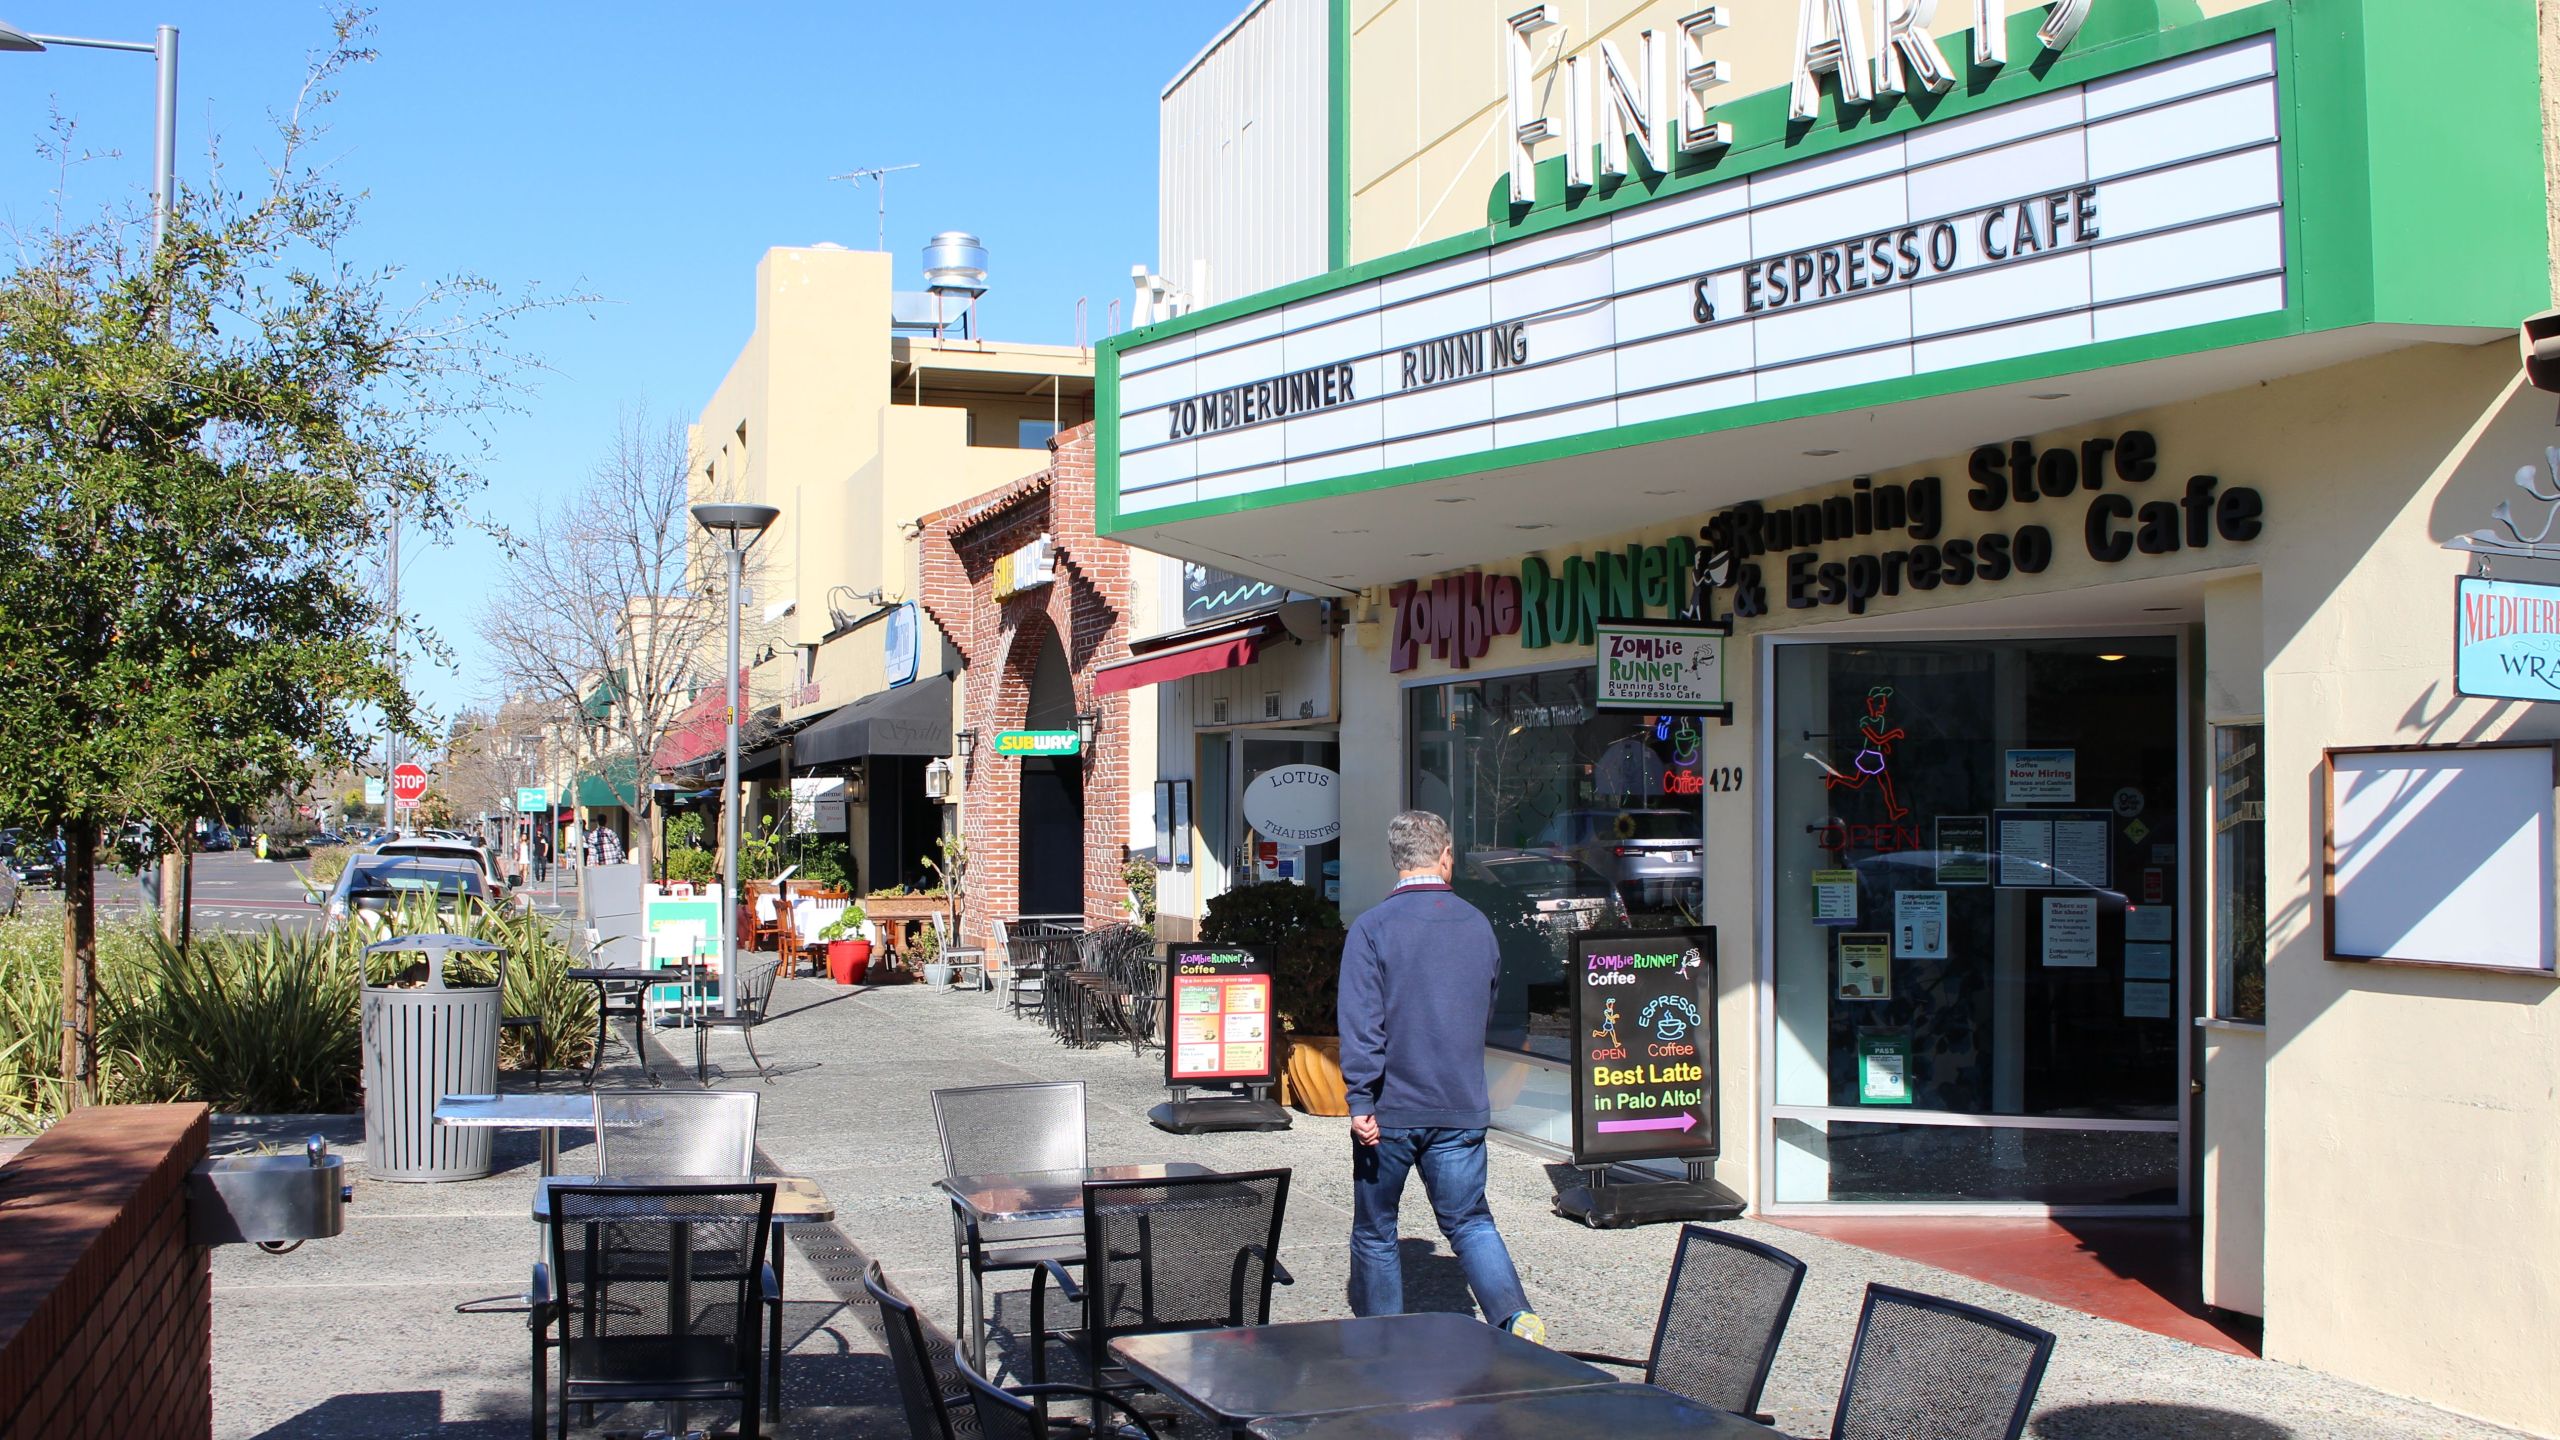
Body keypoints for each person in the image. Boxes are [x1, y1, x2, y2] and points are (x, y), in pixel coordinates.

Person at [1337, 809, 1542, 1342]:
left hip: (1390, 1110)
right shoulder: (1477, 924)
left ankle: (1385, 1342)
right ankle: (1514, 1316)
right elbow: (1486, 1009)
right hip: (1460, 1102)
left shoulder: (1372, 928)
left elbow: (1362, 1024)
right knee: (1471, 1221)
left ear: (1396, 860)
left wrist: (1360, 1100)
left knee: (1378, 1230)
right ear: (1446, 855)